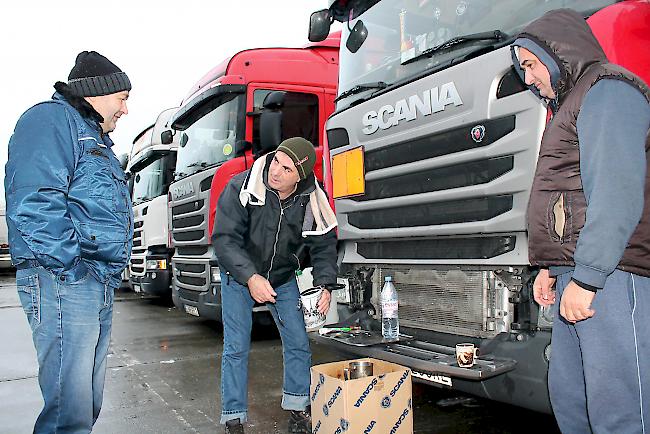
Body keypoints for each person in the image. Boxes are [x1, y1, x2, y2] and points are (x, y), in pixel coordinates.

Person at [510, 9, 650, 433]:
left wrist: (588, 278)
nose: (528, 78)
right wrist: (552, 268)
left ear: (557, 53)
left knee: (618, 409)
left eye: (531, 65)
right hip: (581, 269)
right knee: (573, 400)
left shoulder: (609, 89)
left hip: (612, 272)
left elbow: (615, 192)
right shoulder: (573, 102)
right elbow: (567, 197)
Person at [5, 51, 133, 433]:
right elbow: (35, 199)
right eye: (122, 98)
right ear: (97, 92)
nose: (125, 110)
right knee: (68, 412)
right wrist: (72, 269)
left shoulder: (94, 137)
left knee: (84, 405)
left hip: (94, 280)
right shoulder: (50, 120)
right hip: (65, 279)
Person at [213, 137, 338, 434]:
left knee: (297, 342)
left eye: (287, 170)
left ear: (301, 177)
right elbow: (225, 239)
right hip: (239, 276)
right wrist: (251, 277)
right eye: (276, 162)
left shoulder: (312, 199)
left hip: (281, 278)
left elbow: (324, 245)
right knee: (236, 346)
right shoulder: (243, 187)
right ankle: (233, 417)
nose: (276, 172)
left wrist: (325, 284)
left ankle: (297, 407)